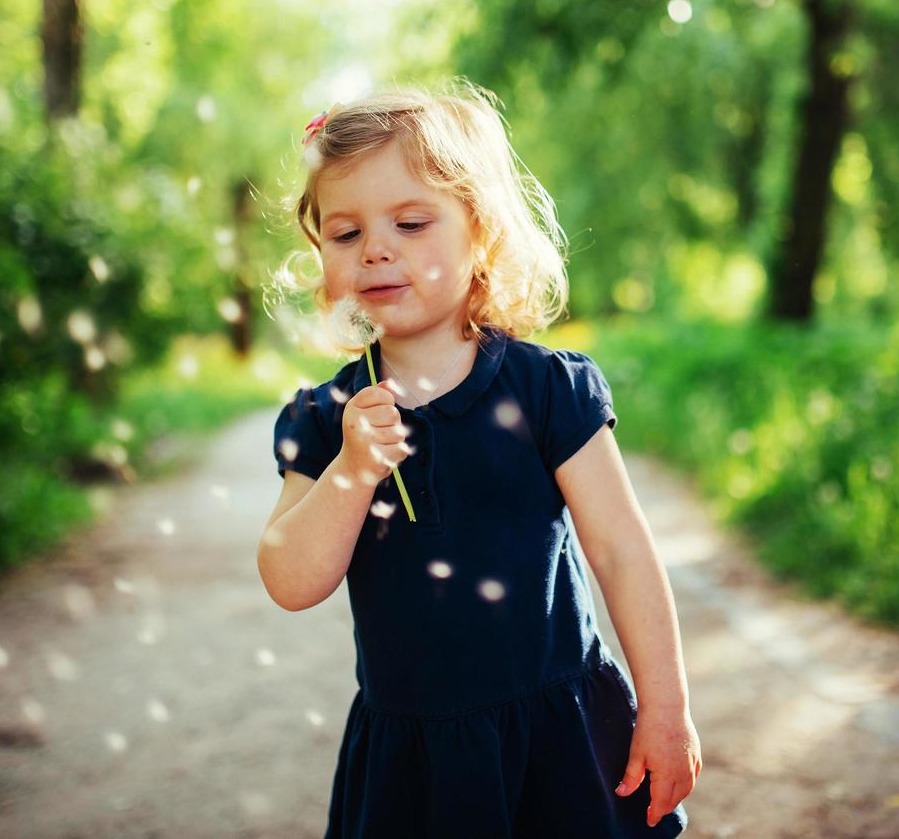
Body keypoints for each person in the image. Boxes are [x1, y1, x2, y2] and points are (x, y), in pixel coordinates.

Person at [257, 79, 699, 838]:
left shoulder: (545, 391)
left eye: (411, 221)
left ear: (481, 233)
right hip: (415, 761)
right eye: (346, 233)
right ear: (321, 253)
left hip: (556, 738)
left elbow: (622, 552)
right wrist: (351, 474)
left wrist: (666, 709)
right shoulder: (327, 421)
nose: (378, 249)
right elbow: (290, 581)